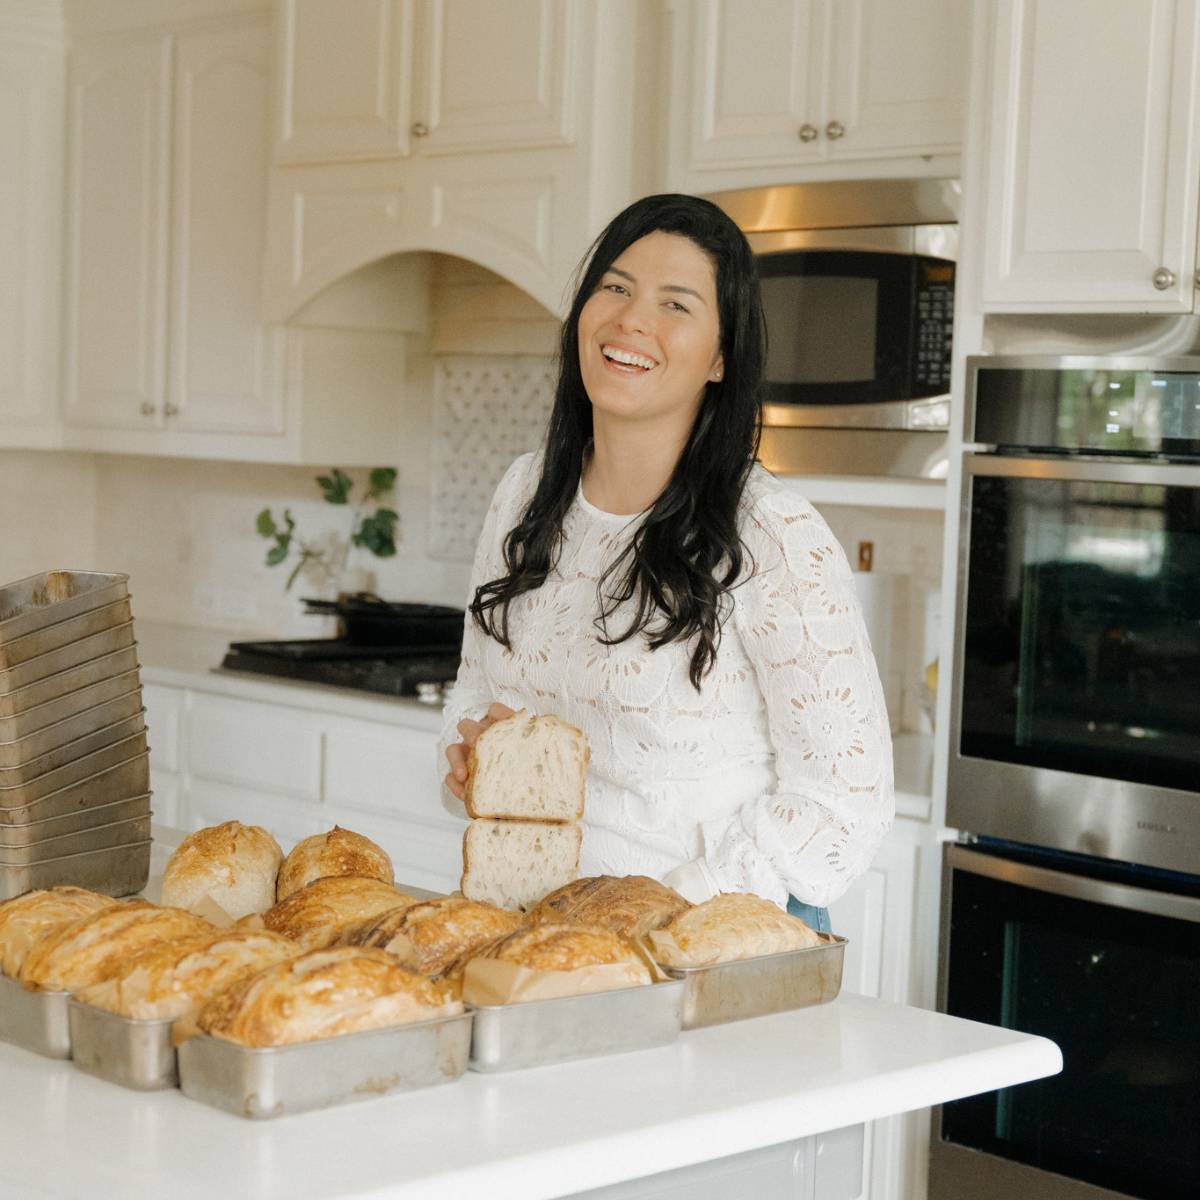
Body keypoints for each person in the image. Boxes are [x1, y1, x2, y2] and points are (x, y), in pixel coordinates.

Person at [439, 193, 894, 930]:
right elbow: (472, 689)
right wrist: (470, 762)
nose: (631, 321)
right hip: (529, 930)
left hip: (699, 945)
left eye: (675, 304)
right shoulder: (526, 491)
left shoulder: (771, 534)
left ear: (720, 358)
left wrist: (658, 912)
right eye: (614, 288)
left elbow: (843, 806)